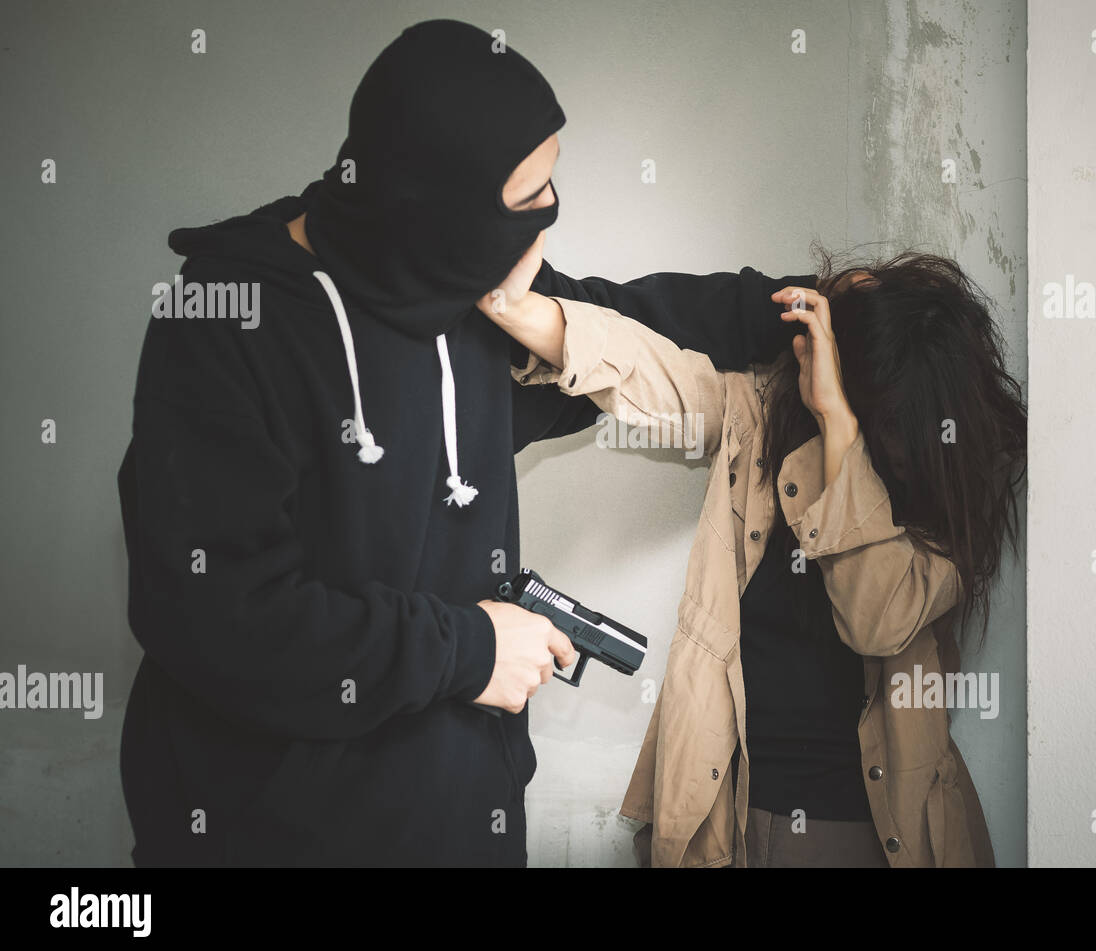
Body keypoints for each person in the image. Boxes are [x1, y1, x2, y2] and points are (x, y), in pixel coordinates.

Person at [116, 19, 813, 866]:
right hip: (260, 830)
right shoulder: (227, 324)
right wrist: (472, 649)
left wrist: (800, 305)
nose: (547, 228)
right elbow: (218, 617)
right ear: (438, 207)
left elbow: (618, 321)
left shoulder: (463, 282)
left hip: (457, 825)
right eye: (528, 205)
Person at [483, 237, 1028, 867]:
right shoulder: (763, 420)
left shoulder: (951, 498)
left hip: (870, 835)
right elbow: (653, 374)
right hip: (730, 817)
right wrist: (514, 308)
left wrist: (839, 426)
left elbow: (876, 619)